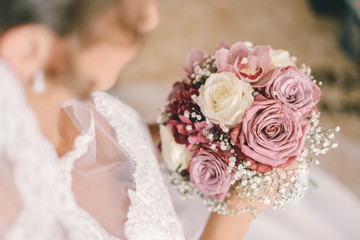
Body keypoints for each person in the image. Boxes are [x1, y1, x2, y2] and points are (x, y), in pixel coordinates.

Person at [0, 0, 269, 239]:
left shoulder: (58, 91)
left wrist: (198, 131)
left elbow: (113, 156)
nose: (151, 18)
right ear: (29, 47)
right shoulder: (11, 209)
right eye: (129, 10)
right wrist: (237, 215)